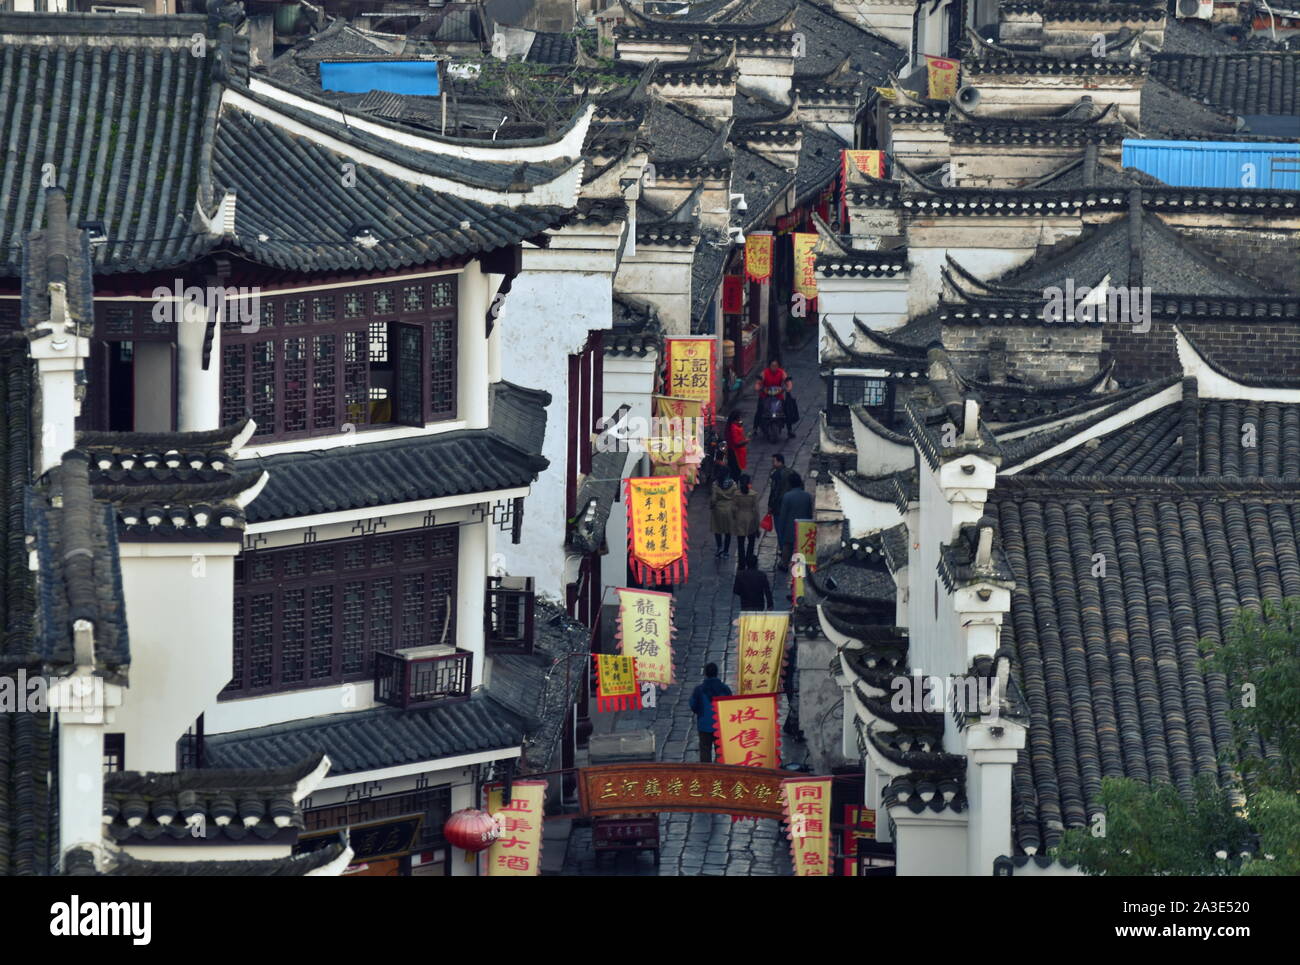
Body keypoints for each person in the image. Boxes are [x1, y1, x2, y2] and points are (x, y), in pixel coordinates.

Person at [689, 663, 732, 762]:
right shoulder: (725, 689)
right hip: (720, 726)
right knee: (720, 752)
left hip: (704, 725)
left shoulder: (699, 690)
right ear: (717, 673)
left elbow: (693, 705)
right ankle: (719, 771)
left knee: (705, 751)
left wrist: (700, 713)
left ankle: (706, 772)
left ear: (705, 674)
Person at [776, 471, 813, 572]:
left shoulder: (787, 496)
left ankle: (784, 564)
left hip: (790, 527)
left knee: (787, 547)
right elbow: (810, 513)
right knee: (801, 548)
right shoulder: (807, 496)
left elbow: (783, 516)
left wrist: (781, 529)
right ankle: (800, 566)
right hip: (803, 526)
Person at [731, 473, 761, 561]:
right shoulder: (753, 494)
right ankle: (749, 558)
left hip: (740, 519)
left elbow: (733, 508)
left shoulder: (736, 494)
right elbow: (756, 511)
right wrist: (757, 525)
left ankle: (741, 561)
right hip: (751, 519)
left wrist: (735, 516)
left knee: (740, 543)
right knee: (751, 542)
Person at [710, 474, 736, 559]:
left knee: (718, 530)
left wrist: (711, 505)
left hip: (718, 510)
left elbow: (713, 499)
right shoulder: (733, 484)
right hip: (729, 509)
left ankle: (719, 547)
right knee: (728, 532)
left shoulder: (716, 484)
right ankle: (726, 551)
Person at [767, 453, 793, 520]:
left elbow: (774, 491)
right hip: (790, 505)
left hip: (778, 507)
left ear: (780, 462)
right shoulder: (791, 472)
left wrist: (770, 506)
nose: (772, 464)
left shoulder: (776, 474)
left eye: (773, 462)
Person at [725, 411, 749, 478]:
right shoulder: (733, 428)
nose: (740, 420)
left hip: (732, 451)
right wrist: (745, 441)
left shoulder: (731, 426)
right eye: (739, 418)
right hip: (735, 452)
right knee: (736, 470)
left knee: (734, 469)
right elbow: (736, 443)